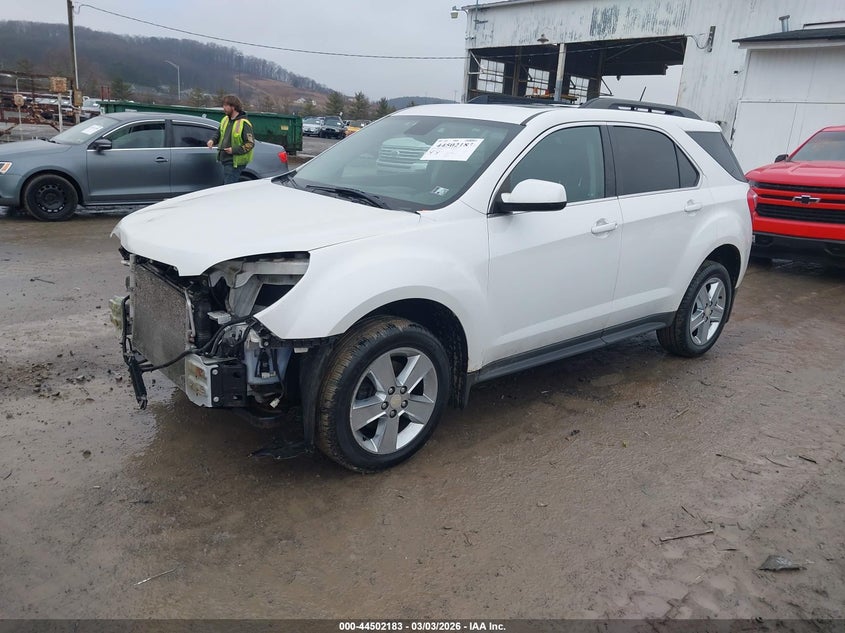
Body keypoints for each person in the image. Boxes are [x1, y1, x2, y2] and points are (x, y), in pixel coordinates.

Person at [207, 94, 255, 184]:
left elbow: (250, 143)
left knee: (228, 189)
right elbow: (219, 132)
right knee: (227, 188)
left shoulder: (244, 123)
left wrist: (233, 150)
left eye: (225, 106)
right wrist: (212, 140)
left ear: (233, 107)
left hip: (234, 163)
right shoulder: (225, 119)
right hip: (225, 160)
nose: (223, 108)